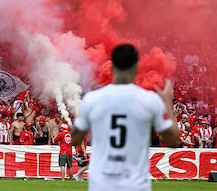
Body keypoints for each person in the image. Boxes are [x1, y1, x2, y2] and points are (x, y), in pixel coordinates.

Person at [71, 44, 180, 191]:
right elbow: (173, 141)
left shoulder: (93, 98)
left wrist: (83, 111)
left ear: (112, 68)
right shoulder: (149, 100)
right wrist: (168, 103)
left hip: (102, 185)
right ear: (135, 68)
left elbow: (75, 139)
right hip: (135, 185)